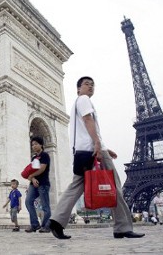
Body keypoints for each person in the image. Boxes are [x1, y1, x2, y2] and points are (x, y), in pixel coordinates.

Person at [49, 76, 144, 240]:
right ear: (78, 89)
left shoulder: (76, 103)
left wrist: (105, 147)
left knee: (75, 187)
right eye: (86, 84)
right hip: (93, 151)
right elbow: (88, 120)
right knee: (115, 186)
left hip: (81, 152)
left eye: (93, 85)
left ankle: (56, 221)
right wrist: (98, 144)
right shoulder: (84, 99)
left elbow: (85, 128)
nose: (90, 87)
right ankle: (122, 227)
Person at [25, 136, 51, 233]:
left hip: (43, 183)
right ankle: (35, 224)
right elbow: (33, 169)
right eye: (32, 145)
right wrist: (33, 178)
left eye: (36, 144)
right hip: (33, 183)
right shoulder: (34, 157)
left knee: (45, 206)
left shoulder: (45, 155)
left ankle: (46, 226)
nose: (34, 146)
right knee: (28, 201)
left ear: (41, 145)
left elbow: (42, 168)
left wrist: (31, 176)